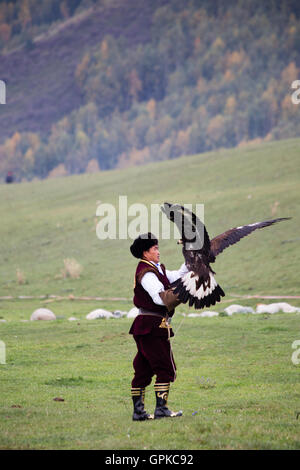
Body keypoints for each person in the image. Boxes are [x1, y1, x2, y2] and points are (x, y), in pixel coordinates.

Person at [129, 232, 188, 420]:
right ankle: (161, 410)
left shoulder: (157, 269)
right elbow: (160, 299)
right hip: (151, 326)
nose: (158, 252)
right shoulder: (146, 273)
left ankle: (139, 413)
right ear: (145, 253)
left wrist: (192, 257)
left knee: (143, 369)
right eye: (155, 249)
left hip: (149, 326)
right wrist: (185, 292)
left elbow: (178, 275)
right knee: (164, 367)